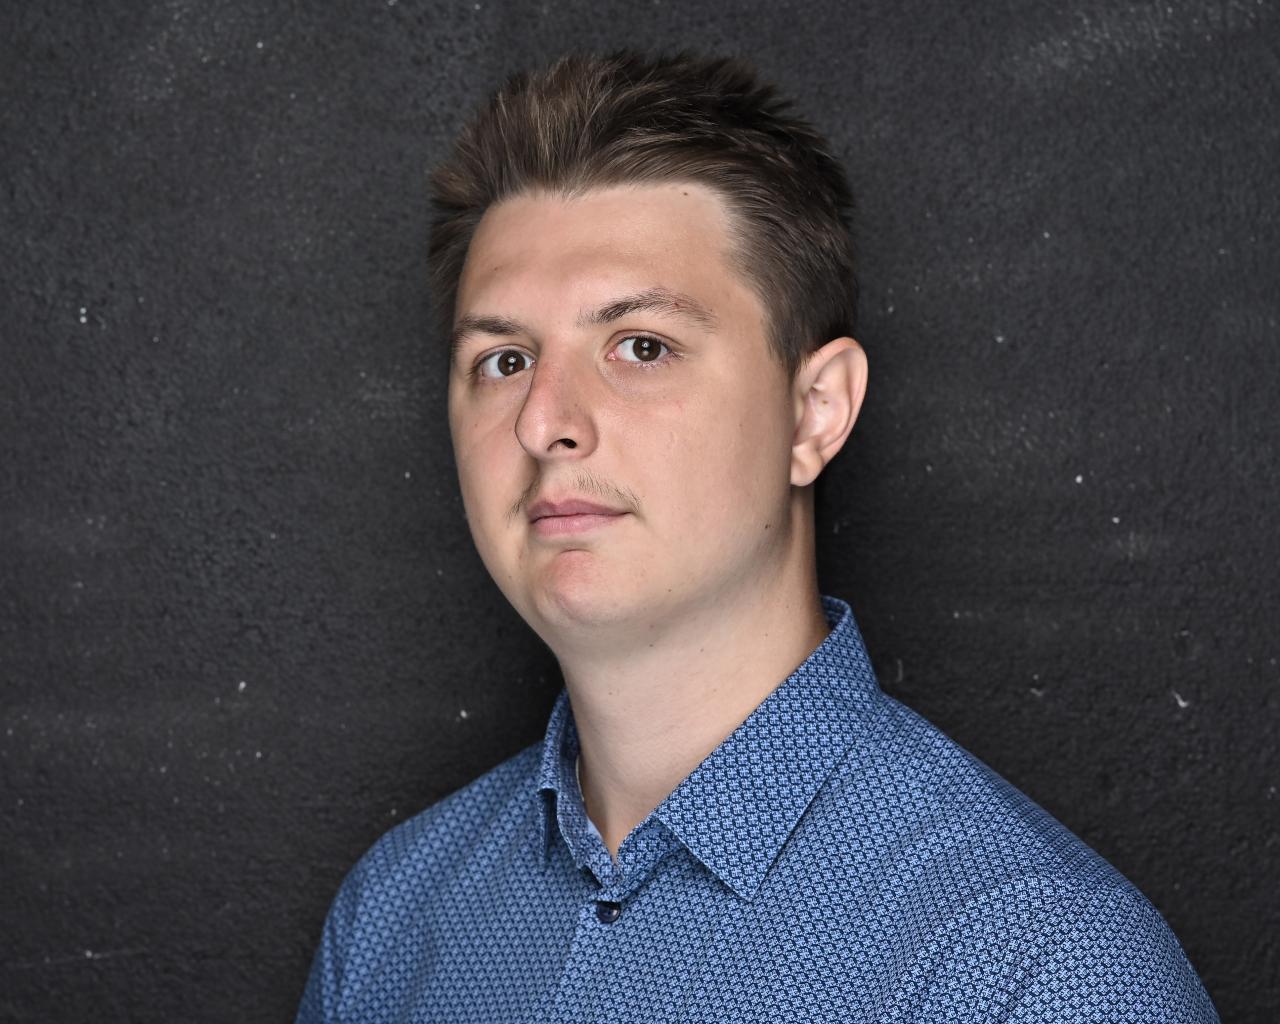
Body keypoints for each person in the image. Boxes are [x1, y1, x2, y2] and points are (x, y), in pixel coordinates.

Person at [295, 49, 1218, 1023]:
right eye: (505, 360)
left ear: (814, 412)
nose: (543, 421)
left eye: (640, 346)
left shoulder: (1037, 969)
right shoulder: (388, 920)